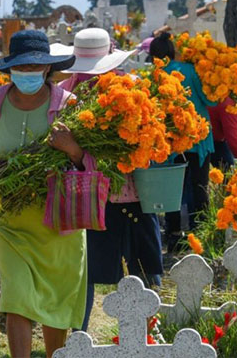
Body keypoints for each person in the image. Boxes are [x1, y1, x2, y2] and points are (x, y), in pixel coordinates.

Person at [0, 30, 87, 358]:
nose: (27, 74)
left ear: (47, 70)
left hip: (59, 223)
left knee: (57, 302)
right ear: (9, 70)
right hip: (10, 222)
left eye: (34, 68)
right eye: (20, 69)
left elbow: (91, 165)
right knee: (17, 298)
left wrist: (74, 150)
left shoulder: (68, 105)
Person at [54, 28, 164, 332]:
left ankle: (150, 334)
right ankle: (79, 337)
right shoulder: (64, 97)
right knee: (84, 274)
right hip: (86, 201)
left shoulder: (134, 91)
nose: (92, 77)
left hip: (133, 196)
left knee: (143, 271)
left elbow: (152, 142)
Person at [149, 32, 216, 254]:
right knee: (200, 187)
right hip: (198, 137)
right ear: (172, 51)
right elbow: (208, 100)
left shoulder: (155, 76)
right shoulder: (190, 69)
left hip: (172, 142)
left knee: (173, 191)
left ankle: (174, 237)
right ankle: (203, 235)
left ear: (153, 56)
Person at [209, 97, 237, 171]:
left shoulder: (232, 105)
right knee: (228, 171)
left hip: (214, 140)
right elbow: (233, 140)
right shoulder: (229, 106)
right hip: (211, 142)